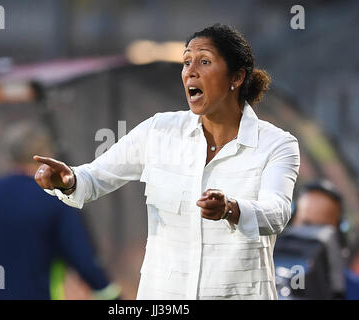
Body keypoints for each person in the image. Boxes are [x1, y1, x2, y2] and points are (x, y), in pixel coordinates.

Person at [34, 24, 300, 300]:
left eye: (204, 61)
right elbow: (94, 178)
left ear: (236, 76)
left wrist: (231, 209)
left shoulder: (277, 145)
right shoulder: (158, 131)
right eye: (186, 62)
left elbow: (277, 213)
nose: (190, 71)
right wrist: (67, 181)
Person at [0, 121, 121, 300]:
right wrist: (112, 296)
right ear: (47, 157)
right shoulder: (55, 198)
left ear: (9, 157)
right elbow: (82, 259)